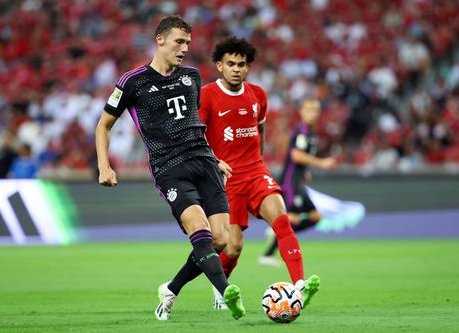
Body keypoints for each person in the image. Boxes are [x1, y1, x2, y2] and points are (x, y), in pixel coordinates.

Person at [95, 16, 245, 321]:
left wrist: (215, 158)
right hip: (170, 168)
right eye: (179, 41)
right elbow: (103, 126)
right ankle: (227, 290)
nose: (185, 48)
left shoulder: (192, 76)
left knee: (221, 240)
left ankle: (171, 289)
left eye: (188, 42)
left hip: (204, 162)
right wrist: (104, 166)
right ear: (160, 40)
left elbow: (192, 125)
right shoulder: (132, 82)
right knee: (199, 230)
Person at [199, 36, 320, 311]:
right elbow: (197, 137)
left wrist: (259, 163)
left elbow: (260, 130)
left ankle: (299, 286)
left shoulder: (258, 95)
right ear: (219, 66)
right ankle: (221, 290)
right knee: (233, 248)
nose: (237, 69)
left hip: (255, 172)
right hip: (226, 180)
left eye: (242, 64)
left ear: (248, 67)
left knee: (281, 219)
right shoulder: (207, 95)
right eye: (230, 64)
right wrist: (213, 164)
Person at [258, 98, 337, 266]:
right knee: (292, 219)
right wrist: (321, 163)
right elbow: (296, 155)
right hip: (290, 182)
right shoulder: (302, 131)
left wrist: (305, 172)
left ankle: (275, 235)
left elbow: (300, 159)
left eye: (315, 110)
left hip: (298, 181)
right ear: (301, 111)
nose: (312, 113)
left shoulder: (310, 132)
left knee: (316, 217)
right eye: (308, 109)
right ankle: (268, 254)